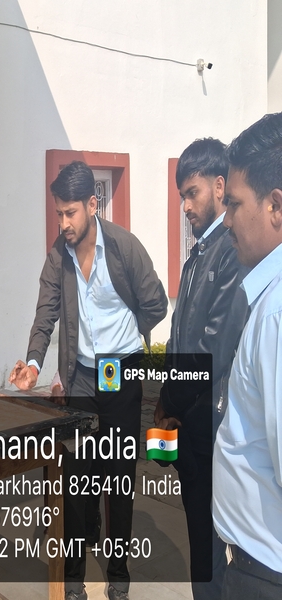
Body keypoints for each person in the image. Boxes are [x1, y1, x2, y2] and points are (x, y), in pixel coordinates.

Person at [9, 161, 168, 600]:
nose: (63, 223)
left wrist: (128, 336)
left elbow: (155, 303)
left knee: (118, 479)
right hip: (80, 376)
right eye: (58, 213)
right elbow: (45, 314)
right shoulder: (57, 256)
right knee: (75, 480)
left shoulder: (123, 247)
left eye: (70, 213)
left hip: (118, 373)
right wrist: (33, 365)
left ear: (92, 205)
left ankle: (118, 575)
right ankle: (73, 579)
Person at [155, 138, 247, 600]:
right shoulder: (197, 255)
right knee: (199, 539)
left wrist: (170, 401)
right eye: (182, 197)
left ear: (219, 186)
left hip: (211, 420)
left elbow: (213, 345)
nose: (186, 206)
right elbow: (179, 338)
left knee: (212, 550)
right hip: (187, 424)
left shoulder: (229, 249)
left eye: (192, 193)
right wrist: (164, 402)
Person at [212, 112, 282, 600]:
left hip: (265, 574)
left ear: (275, 205)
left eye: (234, 204)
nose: (227, 220)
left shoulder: (277, 313)